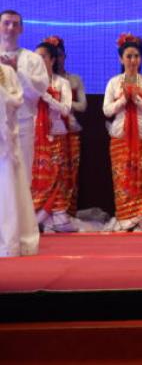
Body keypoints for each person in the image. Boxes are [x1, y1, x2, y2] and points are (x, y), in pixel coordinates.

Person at [103, 34, 142, 232]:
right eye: (129, 56)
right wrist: (123, 100)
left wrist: (136, 99)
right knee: (123, 178)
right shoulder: (113, 82)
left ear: (141, 59)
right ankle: (127, 220)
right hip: (121, 137)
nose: (133, 60)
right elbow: (106, 110)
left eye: (136, 56)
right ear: (121, 59)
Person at [0, 11, 49, 201]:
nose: (10, 28)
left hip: (22, 123)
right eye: (6, 23)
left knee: (22, 173)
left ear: (21, 29)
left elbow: (38, 91)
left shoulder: (32, 59)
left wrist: (17, 71)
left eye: (15, 24)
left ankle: (21, 218)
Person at [31, 39, 74, 232]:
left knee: (57, 176)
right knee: (36, 176)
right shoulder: (29, 83)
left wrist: (46, 96)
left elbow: (65, 109)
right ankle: (36, 215)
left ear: (52, 60)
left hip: (56, 133)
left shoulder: (62, 83)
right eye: (35, 57)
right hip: (34, 135)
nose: (38, 61)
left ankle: (57, 216)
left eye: (42, 57)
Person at [0, 59, 39, 256]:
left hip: (6, 137)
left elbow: (18, 99)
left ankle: (11, 240)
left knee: (9, 185)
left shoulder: (7, 71)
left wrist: (2, 95)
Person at [52, 36, 86, 216]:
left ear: (65, 56)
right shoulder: (45, 81)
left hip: (71, 131)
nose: (58, 59)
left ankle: (69, 213)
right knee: (53, 172)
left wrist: (64, 102)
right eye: (54, 56)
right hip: (51, 132)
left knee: (71, 173)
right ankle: (51, 212)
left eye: (60, 55)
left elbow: (83, 106)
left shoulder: (74, 79)